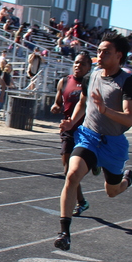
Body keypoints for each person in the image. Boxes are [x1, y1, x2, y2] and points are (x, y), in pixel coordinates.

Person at [54, 33, 132, 251]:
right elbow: (82, 101)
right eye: (98, 51)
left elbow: (129, 119)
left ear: (118, 56)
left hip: (114, 144)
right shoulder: (91, 76)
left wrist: (105, 110)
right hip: (89, 136)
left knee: (112, 191)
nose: (99, 55)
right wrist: (72, 122)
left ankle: (126, 180)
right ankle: (64, 232)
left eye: (105, 52)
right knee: (71, 175)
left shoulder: (126, 81)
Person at [51, 52, 93, 216]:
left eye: (82, 64)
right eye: (76, 62)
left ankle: (95, 162)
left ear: (89, 67)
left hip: (87, 130)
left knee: (76, 168)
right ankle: (82, 202)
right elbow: (57, 103)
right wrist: (55, 107)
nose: (78, 66)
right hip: (69, 129)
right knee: (68, 170)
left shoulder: (92, 84)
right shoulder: (64, 81)